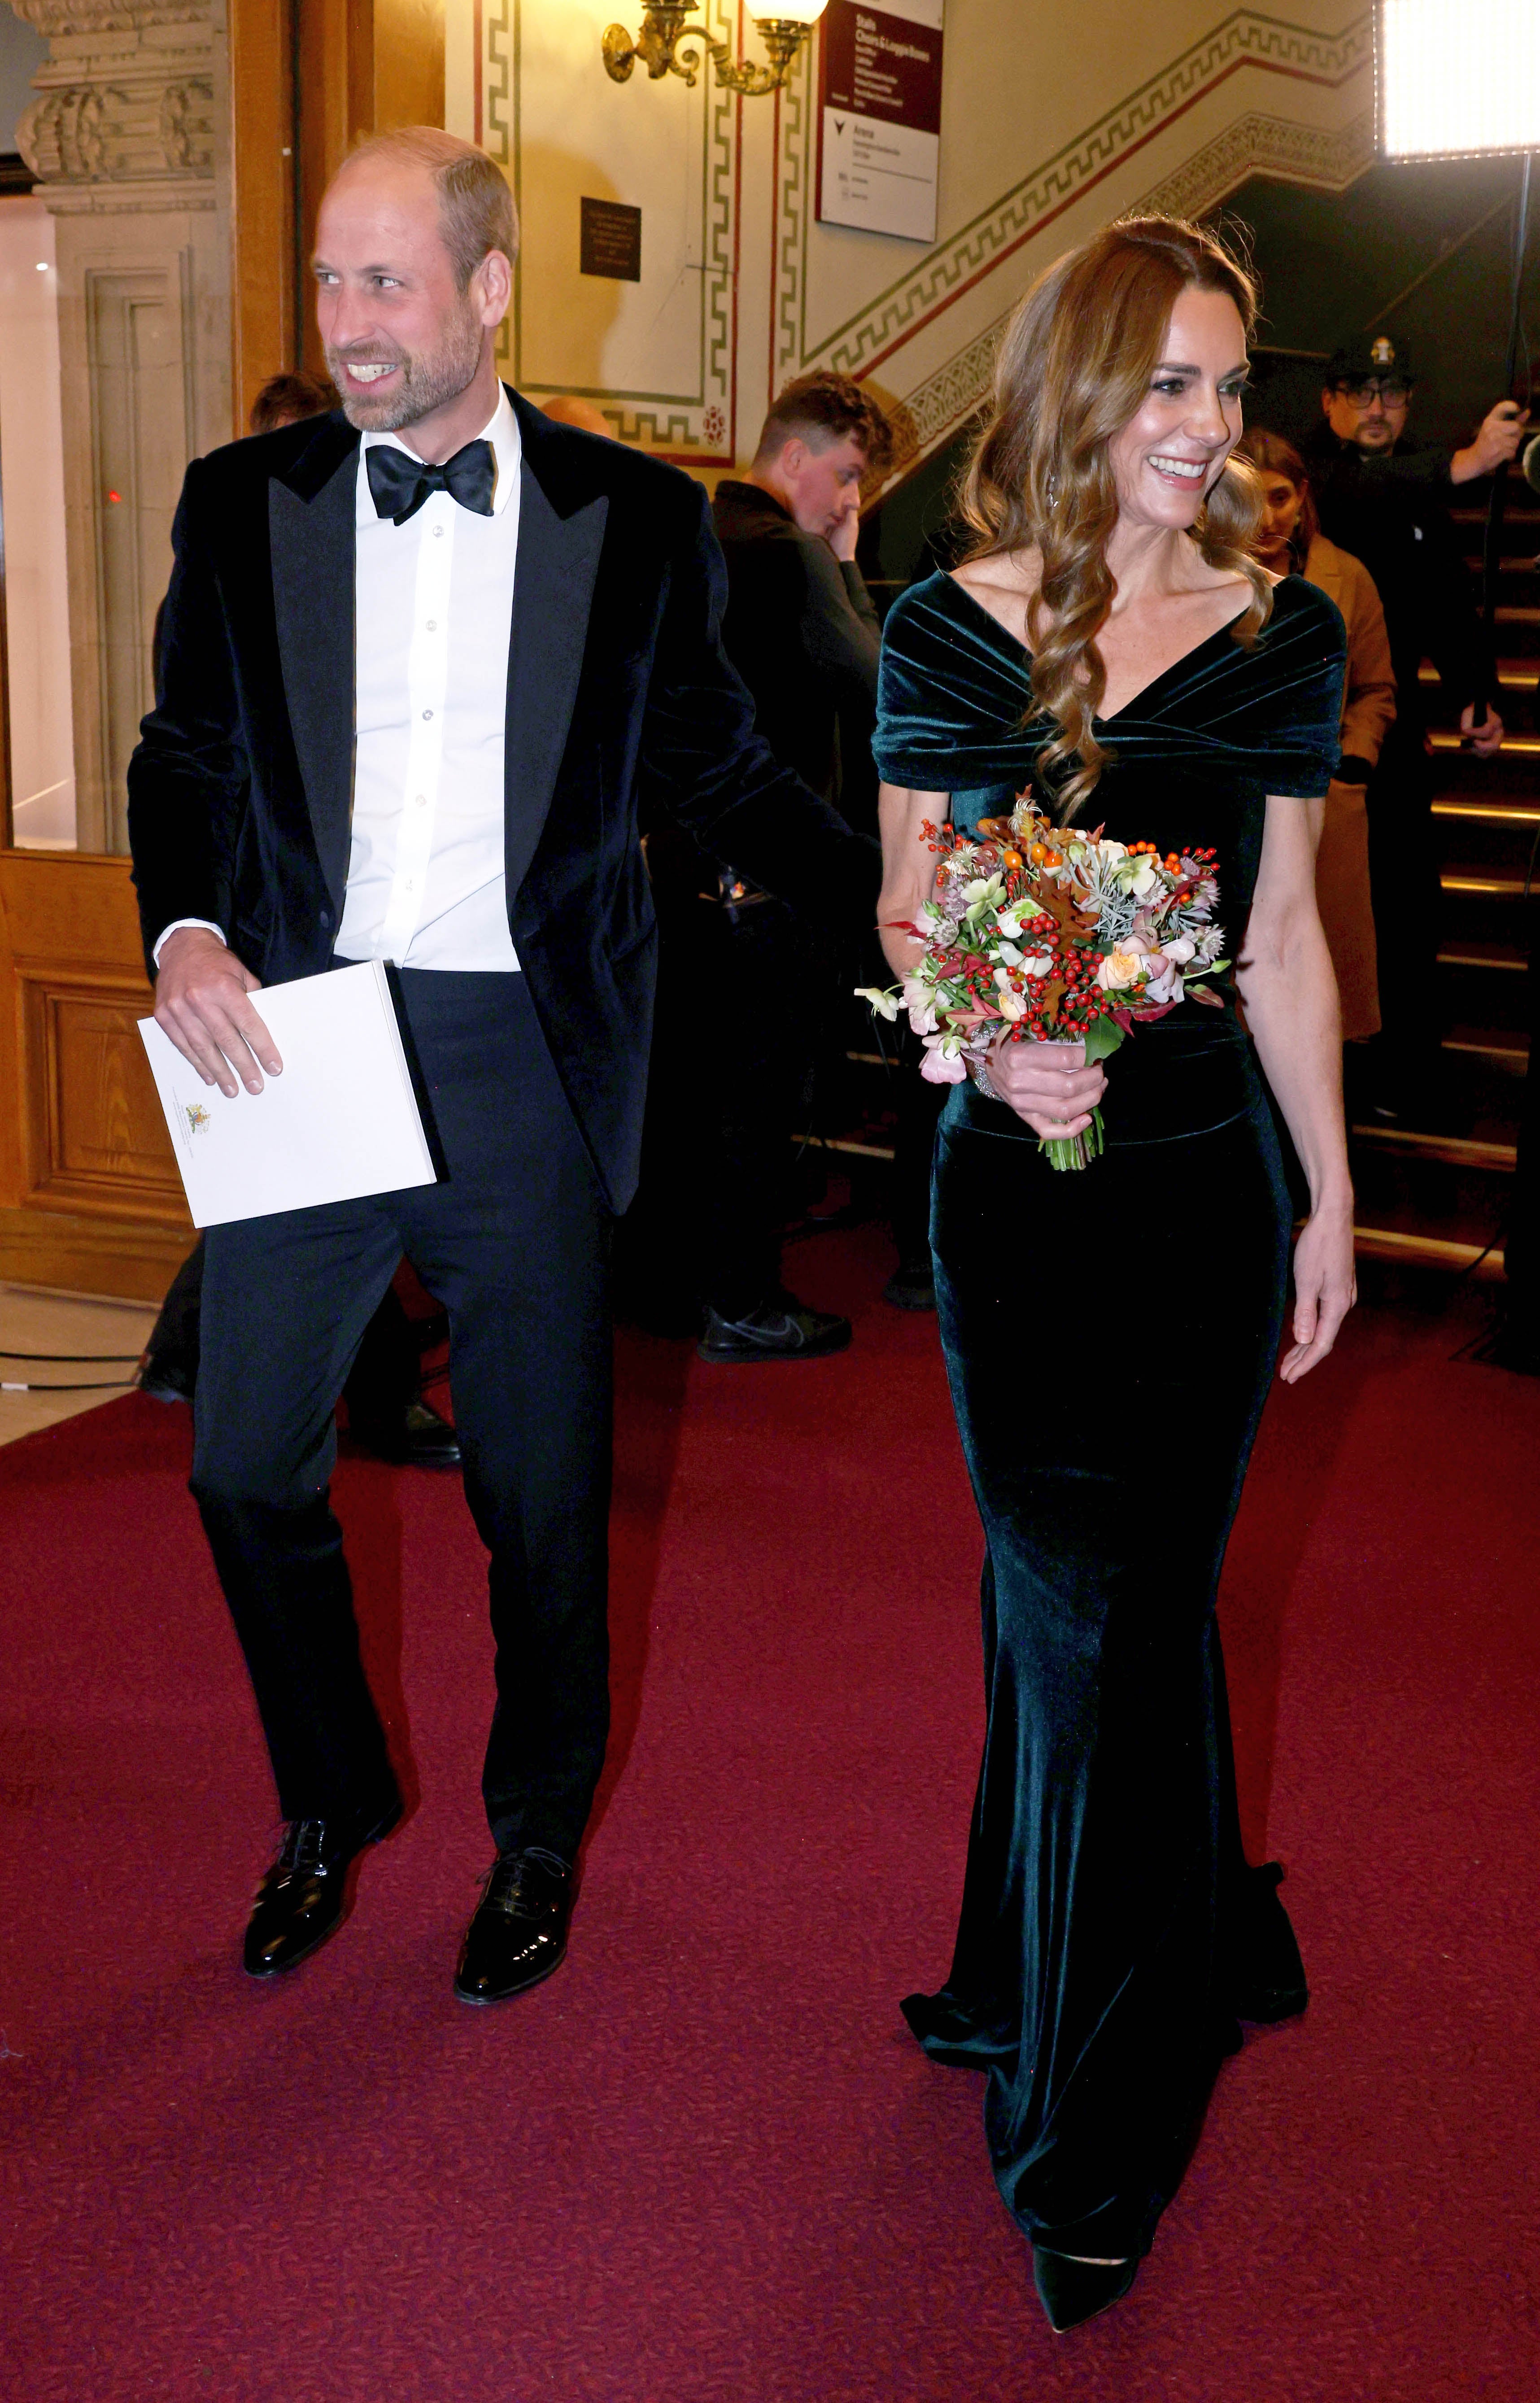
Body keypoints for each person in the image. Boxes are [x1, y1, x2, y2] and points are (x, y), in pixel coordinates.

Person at [127, 127, 874, 2001]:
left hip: (520, 1051)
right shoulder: (243, 502)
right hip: (299, 1030)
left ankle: (534, 1831)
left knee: (538, 1495)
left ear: (488, 286)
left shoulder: (637, 523)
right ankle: (330, 1798)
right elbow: (184, 752)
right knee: (242, 1463)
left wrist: (904, 913)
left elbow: (718, 767)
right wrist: (186, 924)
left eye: (385, 281)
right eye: (331, 280)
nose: (348, 322)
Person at [873, 216, 1353, 2331]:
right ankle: (1065, 2007)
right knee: (1071, 1610)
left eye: (1227, 388)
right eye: (1169, 382)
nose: (1207, 425)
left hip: (1198, 1194)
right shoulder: (939, 626)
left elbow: (1282, 942)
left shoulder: (1278, 634)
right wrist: (990, 1034)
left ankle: (1085, 2095)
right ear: (1076, 389)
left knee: (1129, 1617)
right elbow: (907, 905)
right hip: (1014, 1197)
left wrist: (1329, 1198)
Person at [138, 366, 459, 1469]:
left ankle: (240, 1364)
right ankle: (314, 1386)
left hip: (376, 944)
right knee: (295, 1186)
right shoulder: (228, 553)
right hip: (254, 942)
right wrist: (193, 927)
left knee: (327, 1184)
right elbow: (189, 752)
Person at [629, 373, 894, 1360]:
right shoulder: (794, 553)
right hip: (772, 874)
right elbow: (879, 685)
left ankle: (661, 1290)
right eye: (848, 476)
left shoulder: (687, 535)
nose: (852, 502)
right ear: (793, 457)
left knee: (677, 1097)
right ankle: (741, 1299)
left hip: (674, 871)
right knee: (756, 1103)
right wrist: (849, 566)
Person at [1303, 334, 1525, 1114]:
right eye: (1360, 393)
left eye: (1392, 393)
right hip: (1308, 740)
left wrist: (1475, 694)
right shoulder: (1307, 476)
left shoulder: (1417, 485)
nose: (1376, 408)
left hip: (1390, 732)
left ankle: (1407, 1069)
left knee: (1408, 903)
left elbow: (1446, 603)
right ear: (1328, 401)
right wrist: (1462, 464)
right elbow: (1359, 488)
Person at [1238, 425, 1396, 1047]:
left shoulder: (1345, 575)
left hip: (1325, 802)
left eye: (1278, 497)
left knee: (1322, 976)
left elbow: (1376, 687)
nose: (1265, 519)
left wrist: (1354, 760)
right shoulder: (1200, 578)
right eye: (1247, 499)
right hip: (1235, 799)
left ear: (1302, 496)